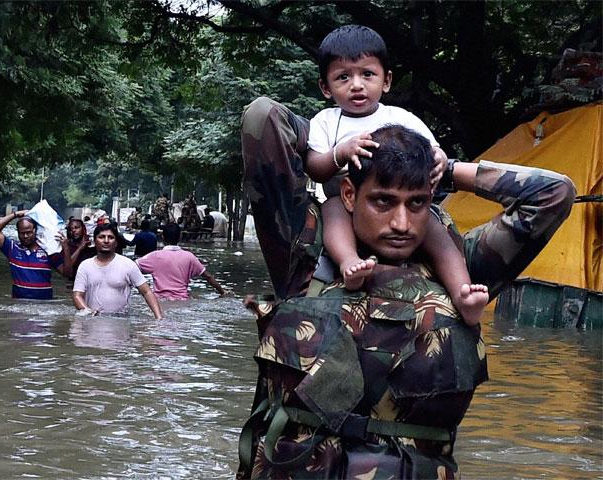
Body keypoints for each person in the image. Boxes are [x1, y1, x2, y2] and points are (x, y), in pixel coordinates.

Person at [237, 99, 575, 478]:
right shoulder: (304, 249)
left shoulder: (462, 268)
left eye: (417, 204)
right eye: (383, 201)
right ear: (349, 195)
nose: (401, 222)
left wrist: (445, 171)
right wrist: (333, 144)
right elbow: (264, 118)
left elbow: (553, 193)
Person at [306, 25, 487, 324]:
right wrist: (340, 152)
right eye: (343, 77)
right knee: (333, 208)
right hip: (344, 200)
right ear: (326, 88)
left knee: (435, 229)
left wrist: (440, 160)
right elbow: (314, 167)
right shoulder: (325, 121)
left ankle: (463, 293)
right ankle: (349, 262)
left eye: (367, 74)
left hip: (401, 195)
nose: (356, 85)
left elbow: (434, 152)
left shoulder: (400, 117)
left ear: (386, 80)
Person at [73, 223, 163, 319]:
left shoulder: (128, 265)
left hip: (121, 320)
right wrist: (88, 311)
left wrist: (159, 318)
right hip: (93, 320)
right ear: (95, 241)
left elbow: (146, 292)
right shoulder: (85, 266)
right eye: (102, 237)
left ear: (116, 242)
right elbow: (77, 295)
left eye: (111, 237)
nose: (106, 241)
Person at [0, 210, 70, 299]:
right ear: (18, 232)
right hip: (19, 304)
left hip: (44, 305)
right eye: (22, 233)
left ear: (35, 231)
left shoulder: (48, 250)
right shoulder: (12, 248)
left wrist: (66, 249)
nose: (26, 236)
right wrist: (16, 214)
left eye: (29, 232)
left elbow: (67, 273)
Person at [136, 223, 229, 300]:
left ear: (163, 237)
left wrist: (143, 289)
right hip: (182, 300)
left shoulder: (154, 256)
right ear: (180, 237)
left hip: (160, 301)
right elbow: (208, 277)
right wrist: (222, 292)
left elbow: (133, 267)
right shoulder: (189, 257)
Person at [65, 218, 96, 282]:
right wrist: (80, 248)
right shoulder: (68, 246)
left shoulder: (92, 246)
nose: (73, 230)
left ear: (83, 229)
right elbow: (68, 266)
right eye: (71, 229)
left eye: (76, 228)